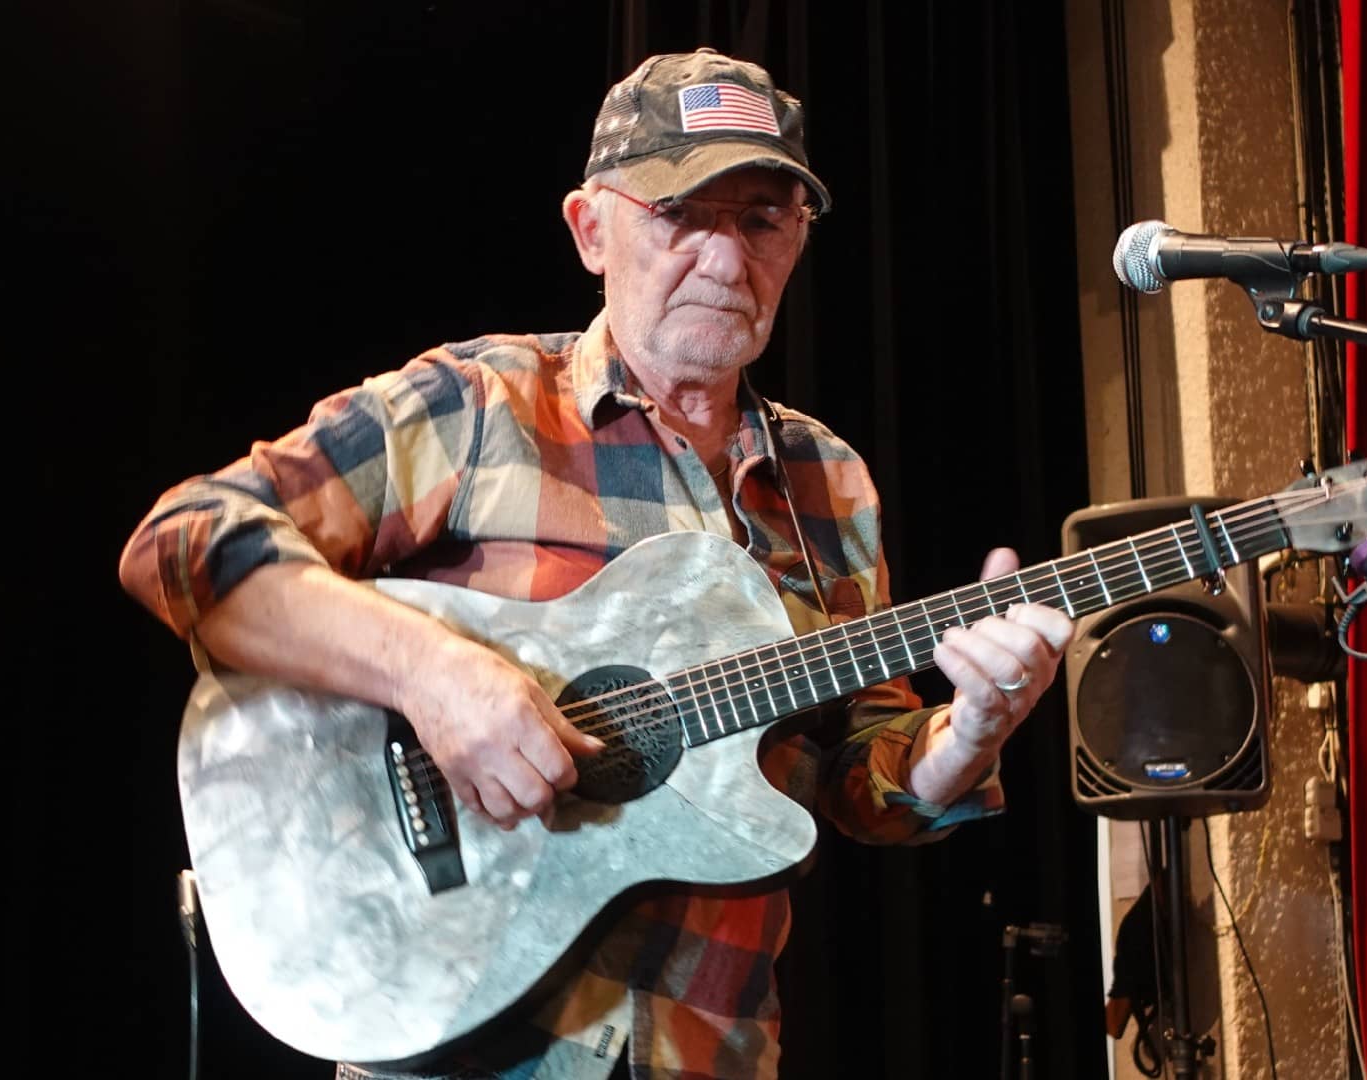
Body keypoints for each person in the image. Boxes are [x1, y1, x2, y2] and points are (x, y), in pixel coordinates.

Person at [119, 47, 1073, 1080]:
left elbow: (860, 779)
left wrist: (970, 728)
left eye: (761, 220)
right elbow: (184, 543)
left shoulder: (828, 481)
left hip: (711, 1049)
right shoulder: (481, 405)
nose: (723, 259)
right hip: (453, 1047)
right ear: (590, 229)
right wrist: (436, 677)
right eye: (679, 215)